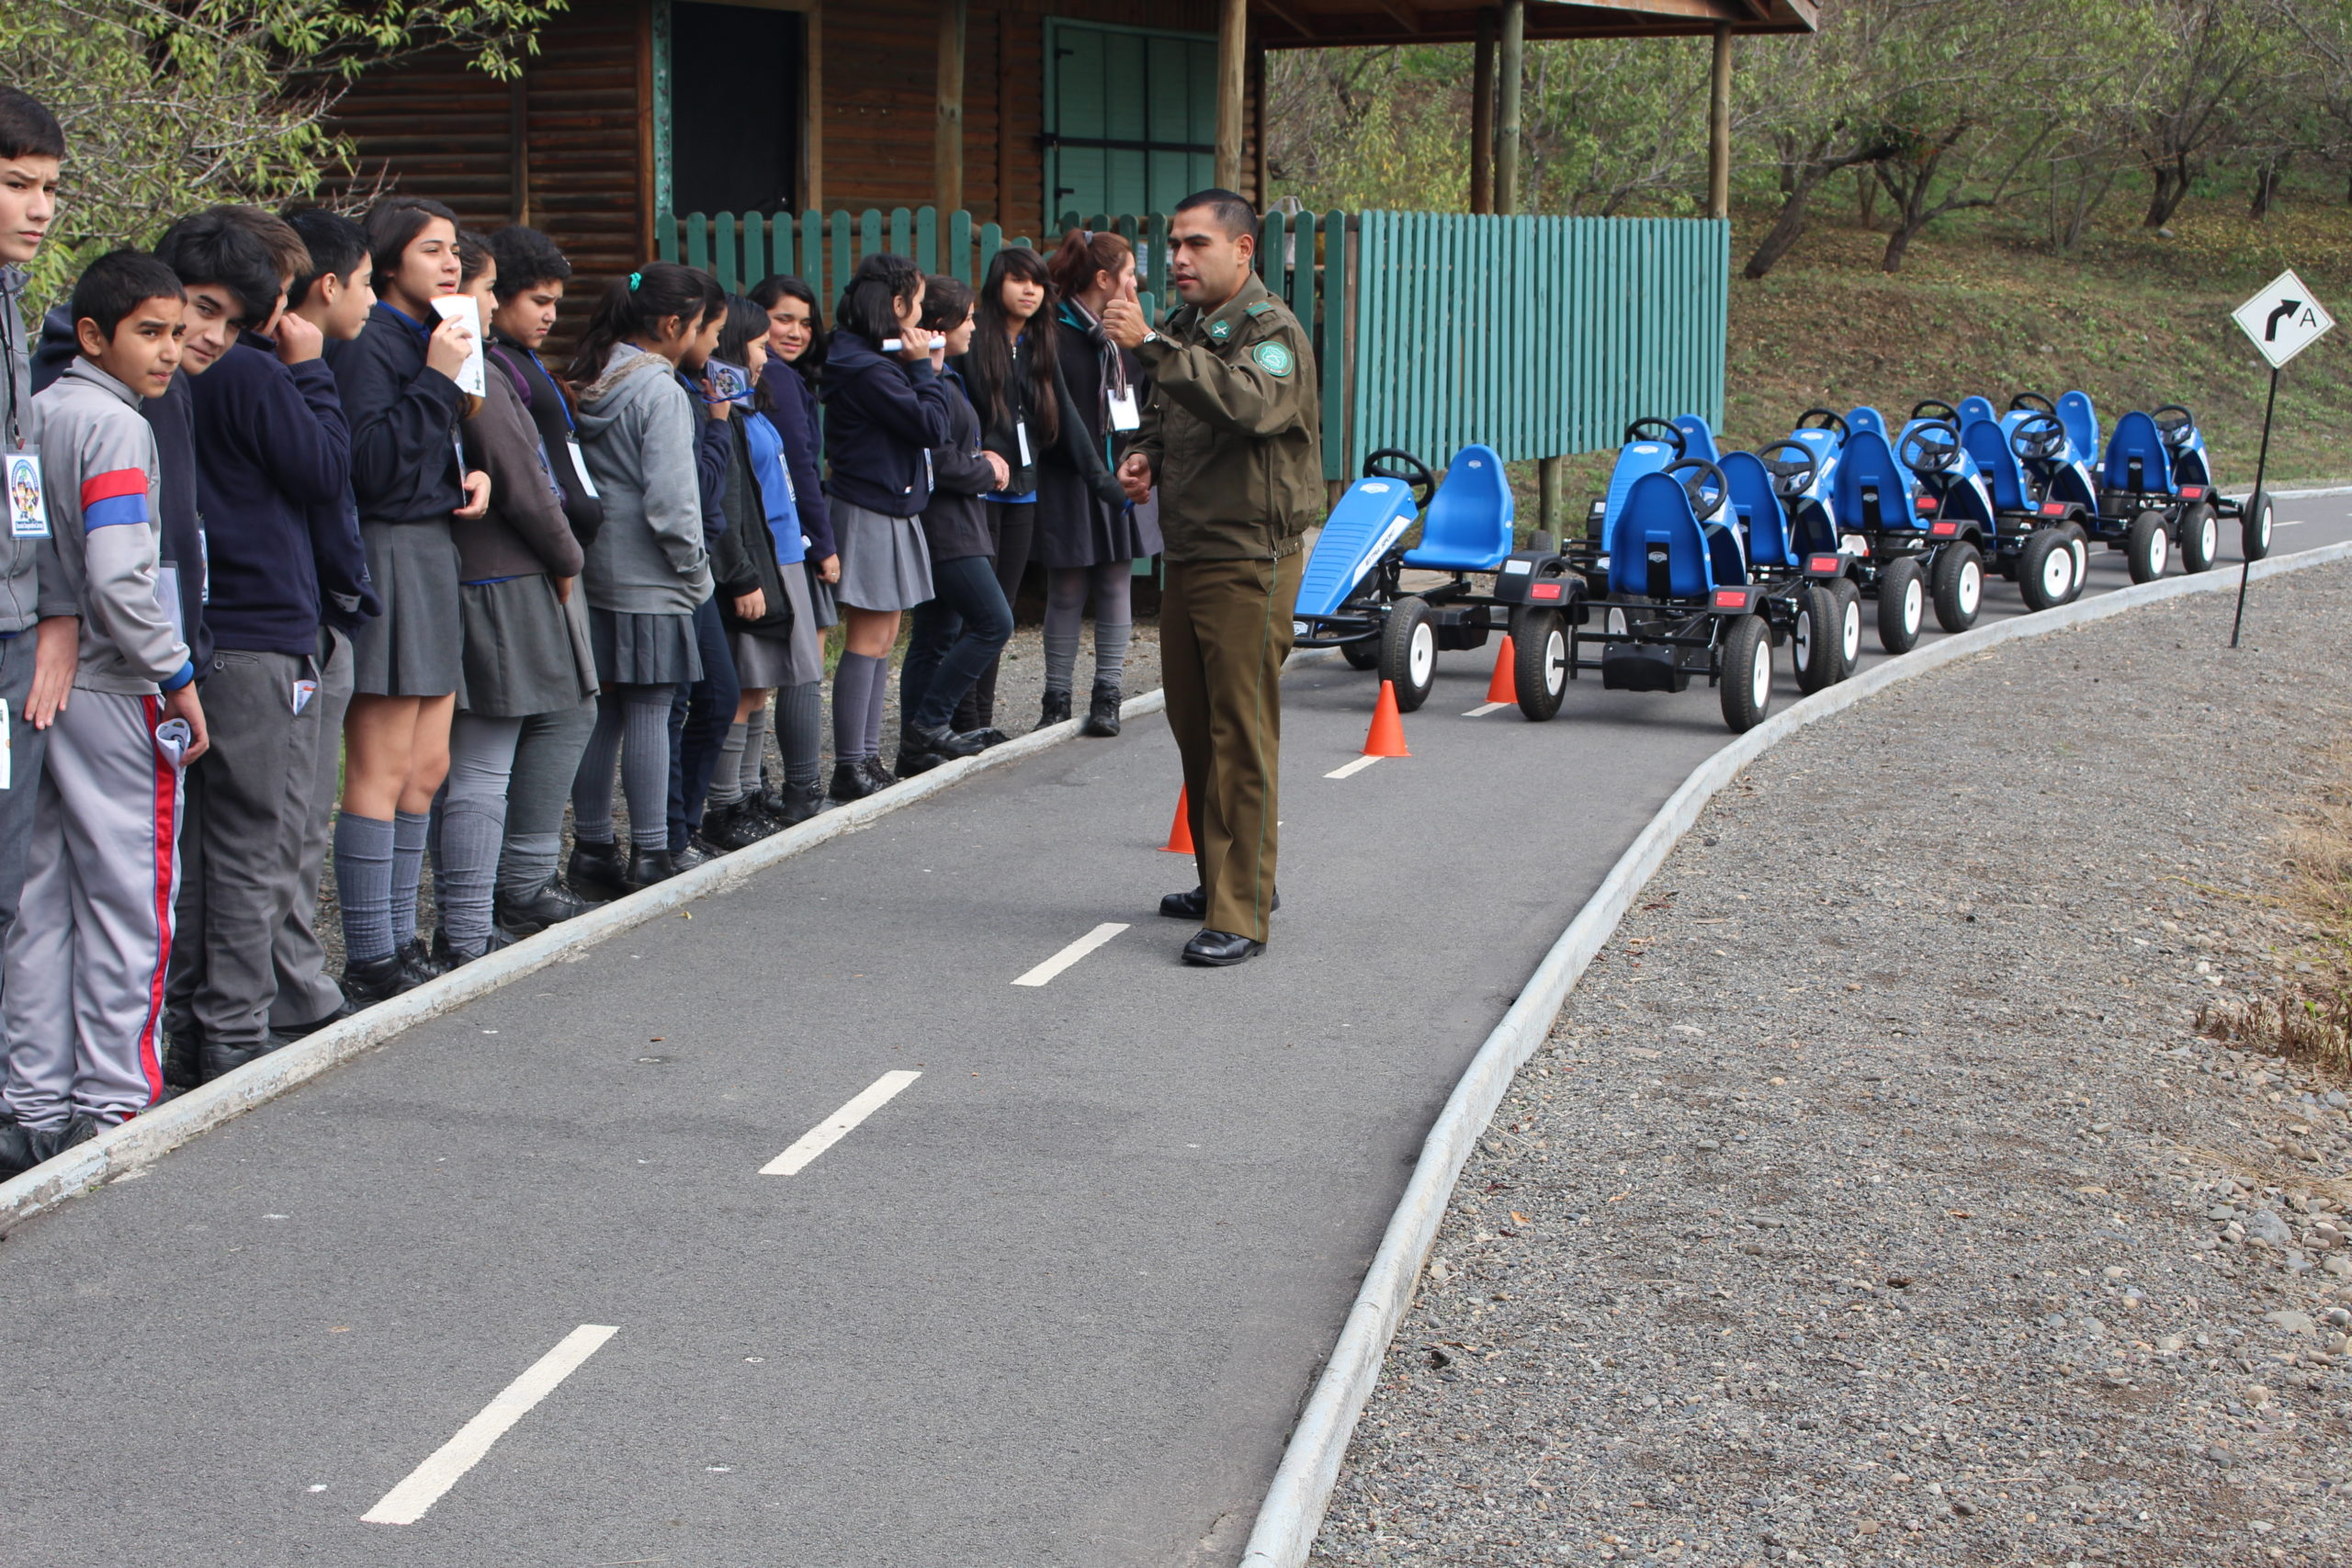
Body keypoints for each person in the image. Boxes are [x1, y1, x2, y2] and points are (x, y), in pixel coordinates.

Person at [0, 250, 208, 1173]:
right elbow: (122, 579)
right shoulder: (120, 431)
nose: (170, 352)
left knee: (41, 895)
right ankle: (118, 1103)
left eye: (176, 333)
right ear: (94, 335)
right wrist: (178, 673)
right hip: (119, 688)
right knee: (131, 899)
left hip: (40, 683)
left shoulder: (34, 411)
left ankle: (31, 1104)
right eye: (150, 333)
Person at [153, 209, 350, 1086]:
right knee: (251, 838)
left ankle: (197, 1027)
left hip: (196, 630)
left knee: (204, 842)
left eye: (232, 319)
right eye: (201, 310)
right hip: (255, 627)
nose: (209, 334)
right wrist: (310, 375)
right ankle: (232, 1030)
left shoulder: (149, 378)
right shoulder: (254, 375)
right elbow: (322, 472)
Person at [1103, 190, 1320, 968]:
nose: (1179, 258)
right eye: (1173, 244)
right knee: (1195, 728)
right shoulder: (1191, 329)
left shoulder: (1271, 333)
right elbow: (1171, 419)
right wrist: (1146, 459)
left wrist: (1152, 346)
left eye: (1197, 244)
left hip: (1249, 562)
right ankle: (1221, 877)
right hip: (1190, 552)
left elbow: (1251, 406)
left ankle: (1245, 908)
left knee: (1242, 736)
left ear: (1243, 252)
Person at [330, 196, 487, 1002]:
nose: (451, 263)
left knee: (428, 766)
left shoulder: (434, 336)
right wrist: (436, 376)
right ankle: (370, 953)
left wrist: (471, 471)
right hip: (389, 548)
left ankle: (400, 936)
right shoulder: (375, 344)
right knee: (382, 766)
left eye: (455, 250)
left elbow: (423, 445)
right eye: (433, 250)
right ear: (389, 263)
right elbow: (372, 467)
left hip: (432, 546)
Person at [433, 232, 595, 963]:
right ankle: (473, 919)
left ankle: (480, 908)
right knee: (480, 757)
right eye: (492, 286)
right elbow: (525, 476)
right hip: (498, 574)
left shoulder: (488, 361)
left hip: (498, 570)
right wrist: (566, 552)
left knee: (481, 752)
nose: (495, 301)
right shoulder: (471, 366)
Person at [564, 264, 717, 895]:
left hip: (599, 568)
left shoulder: (596, 374)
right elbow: (673, 504)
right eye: (703, 326)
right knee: (654, 713)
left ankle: (593, 848)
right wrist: (696, 571)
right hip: (653, 576)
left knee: (605, 715)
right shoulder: (661, 391)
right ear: (673, 324)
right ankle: (653, 850)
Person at [270, 206, 381, 1038]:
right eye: (369, 281)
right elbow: (328, 472)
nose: (373, 300)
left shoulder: (323, 354)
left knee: (304, 814)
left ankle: (294, 981)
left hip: (322, 605)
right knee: (281, 820)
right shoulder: (297, 366)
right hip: (283, 615)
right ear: (328, 284)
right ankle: (279, 993)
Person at [0, 90, 85, 1117]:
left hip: (15, 632)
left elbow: (19, 474)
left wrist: (53, 606)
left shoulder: (13, 299)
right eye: (17, 184)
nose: (39, 208)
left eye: (50, 188)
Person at [484, 224, 605, 934]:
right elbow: (527, 480)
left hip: (558, 554)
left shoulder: (525, 362)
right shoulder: (499, 367)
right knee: (562, 712)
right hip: (537, 561)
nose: (550, 314)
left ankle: (526, 874)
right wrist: (564, 553)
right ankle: (521, 880)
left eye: (558, 301)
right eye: (536, 298)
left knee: (569, 710)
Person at [820, 253, 950, 802]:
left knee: (886, 636)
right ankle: (853, 763)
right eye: (917, 304)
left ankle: (867, 758)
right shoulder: (866, 366)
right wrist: (926, 371)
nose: (922, 316)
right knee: (869, 638)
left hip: (890, 503)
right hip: (869, 504)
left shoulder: (869, 358)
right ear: (896, 305)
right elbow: (931, 426)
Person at [702, 296, 827, 844]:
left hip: (785, 552)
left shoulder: (753, 404)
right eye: (756, 345)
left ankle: (750, 789)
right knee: (746, 685)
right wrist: (747, 570)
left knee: (764, 685)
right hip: (760, 556)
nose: (764, 355)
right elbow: (729, 497)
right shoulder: (726, 415)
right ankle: (726, 802)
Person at [1040, 229, 1159, 737]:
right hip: (1070, 478)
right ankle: (1056, 698)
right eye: (1129, 274)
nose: (1136, 283)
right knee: (1065, 589)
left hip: (1123, 471)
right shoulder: (1052, 332)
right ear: (1105, 278)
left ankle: (1107, 694)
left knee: (1116, 582)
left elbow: (1152, 398)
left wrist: (1135, 463)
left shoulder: (1130, 334)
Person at [898, 276, 1010, 775]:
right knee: (994, 622)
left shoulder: (944, 376)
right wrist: (986, 469)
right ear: (939, 327)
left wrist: (978, 453)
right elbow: (939, 461)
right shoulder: (924, 380)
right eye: (967, 318)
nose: (974, 326)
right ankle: (930, 724)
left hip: (959, 521)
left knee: (936, 634)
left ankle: (914, 748)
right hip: (947, 527)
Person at [749, 273, 838, 819]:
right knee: (801, 661)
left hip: (781, 533)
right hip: (790, 536)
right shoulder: (777, 379)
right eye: (783, 319)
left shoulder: (784, 377)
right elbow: (799, 467)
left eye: (806, 322)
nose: (796, 331)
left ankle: (762, 783)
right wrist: (823, 543)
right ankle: (801, 787)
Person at [667, 271, 741, 863]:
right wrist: (718, 427)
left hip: (697, 562)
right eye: (708, 331)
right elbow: (700, 492)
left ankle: (678, 827)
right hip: (684, 567)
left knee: (708, 697)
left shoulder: (690, 388)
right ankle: (667, 833)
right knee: (688, 701)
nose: (714, 346)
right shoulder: (674, 397)